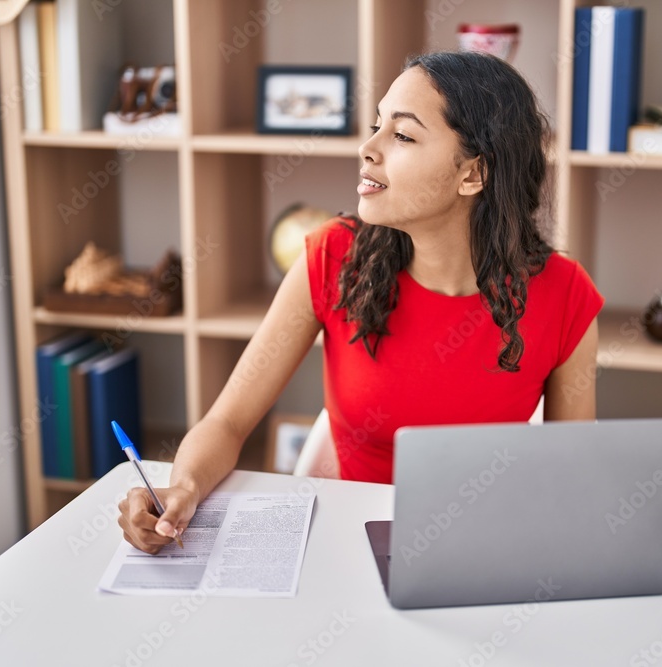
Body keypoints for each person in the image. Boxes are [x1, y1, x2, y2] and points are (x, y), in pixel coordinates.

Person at [118, 51, 604, 554]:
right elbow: (227, 421)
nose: (368, 148)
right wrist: (184, 489)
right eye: (376, 126)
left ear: (473, 174)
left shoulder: (564, 295)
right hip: (349, 547)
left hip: (483, 551)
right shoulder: (332, 257)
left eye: (402, 135)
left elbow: (570, 474)